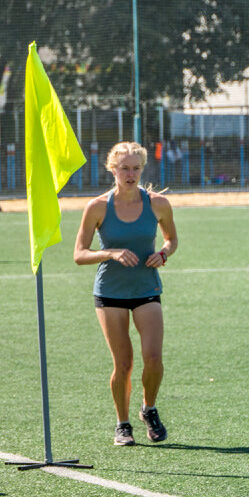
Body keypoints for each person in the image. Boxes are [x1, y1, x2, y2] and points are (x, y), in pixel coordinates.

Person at [73, 142, 177, 447]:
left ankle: (149, 408)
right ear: (112, 168)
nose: (130, 174)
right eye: (124, 168)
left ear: (142, 169)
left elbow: (171, 239)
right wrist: (111, 252)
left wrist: (163, 253)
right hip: (110, 294)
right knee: (124, 363)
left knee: (154, 359)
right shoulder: (97, 207)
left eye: (135, 168)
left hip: (147, 288)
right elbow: (79, 254)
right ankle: (122, 423)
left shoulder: (158, 203)